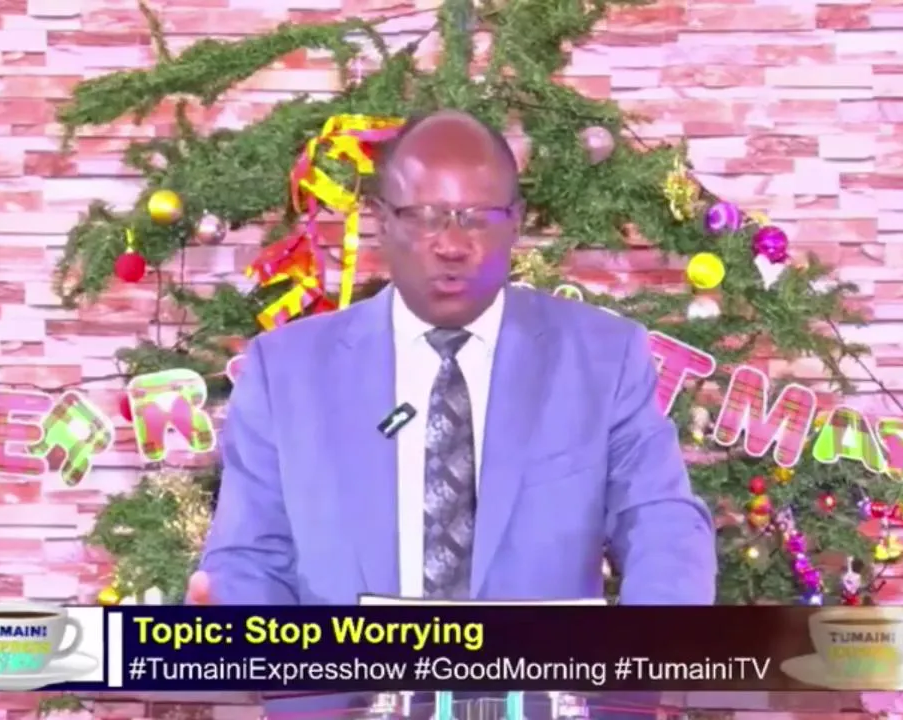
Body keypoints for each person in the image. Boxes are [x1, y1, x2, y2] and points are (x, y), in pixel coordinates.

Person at [191, 110, 716, 717]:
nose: (451, 244)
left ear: (516, 222)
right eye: (424, 216)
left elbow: (663, 522)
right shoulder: (286, 370)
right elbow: (248, 556)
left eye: (478, 217)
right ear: (382, 220)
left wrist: (643, 659)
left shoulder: (602, 356)